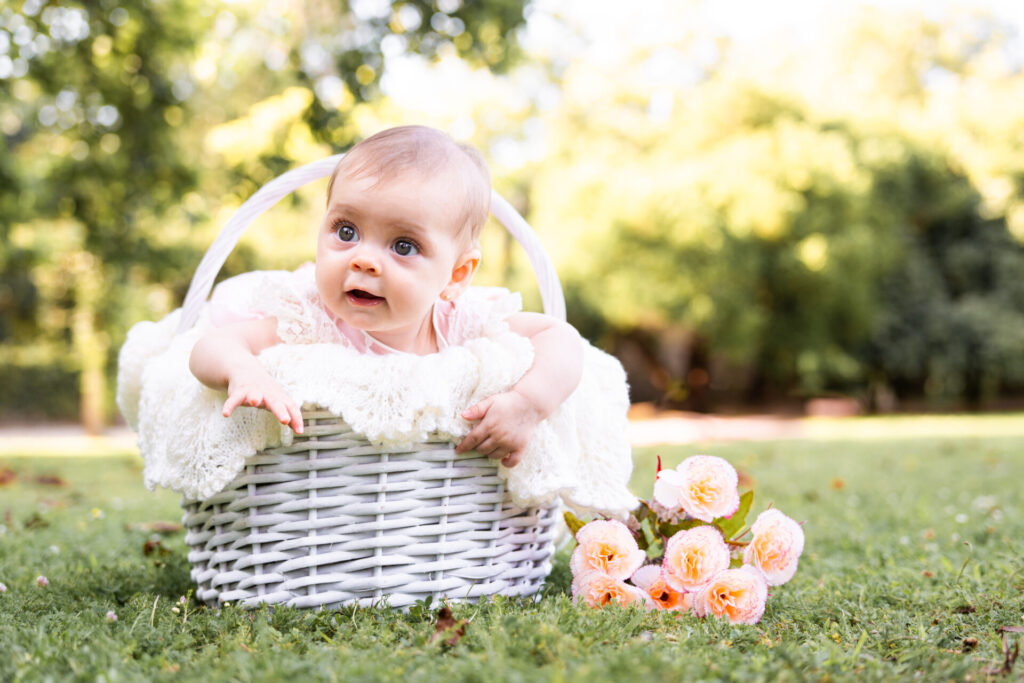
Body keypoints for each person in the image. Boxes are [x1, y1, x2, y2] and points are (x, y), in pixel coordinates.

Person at [188, 125, 583, 468]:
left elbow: (560, 338)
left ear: (456, 275)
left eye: (404, 245)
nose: (364, 260)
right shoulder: (311, 316)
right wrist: (244, 370)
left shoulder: (460, 320)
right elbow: (210, 347)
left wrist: (529, 404)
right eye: (346, 232)